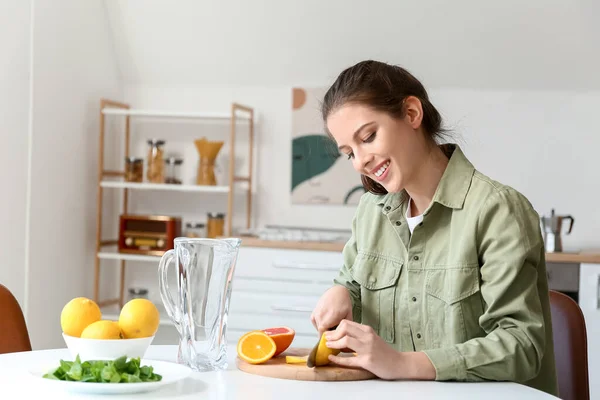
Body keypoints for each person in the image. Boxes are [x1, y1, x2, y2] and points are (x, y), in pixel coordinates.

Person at [310, 60, 558, 396]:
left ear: (412, 113)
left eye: (368, 137)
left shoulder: (498, 211)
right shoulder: (371, 212)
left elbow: (521, 345)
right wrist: (342, 292)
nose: (360, 161)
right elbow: (353, 280)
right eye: (348, 153)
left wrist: (402, 363)